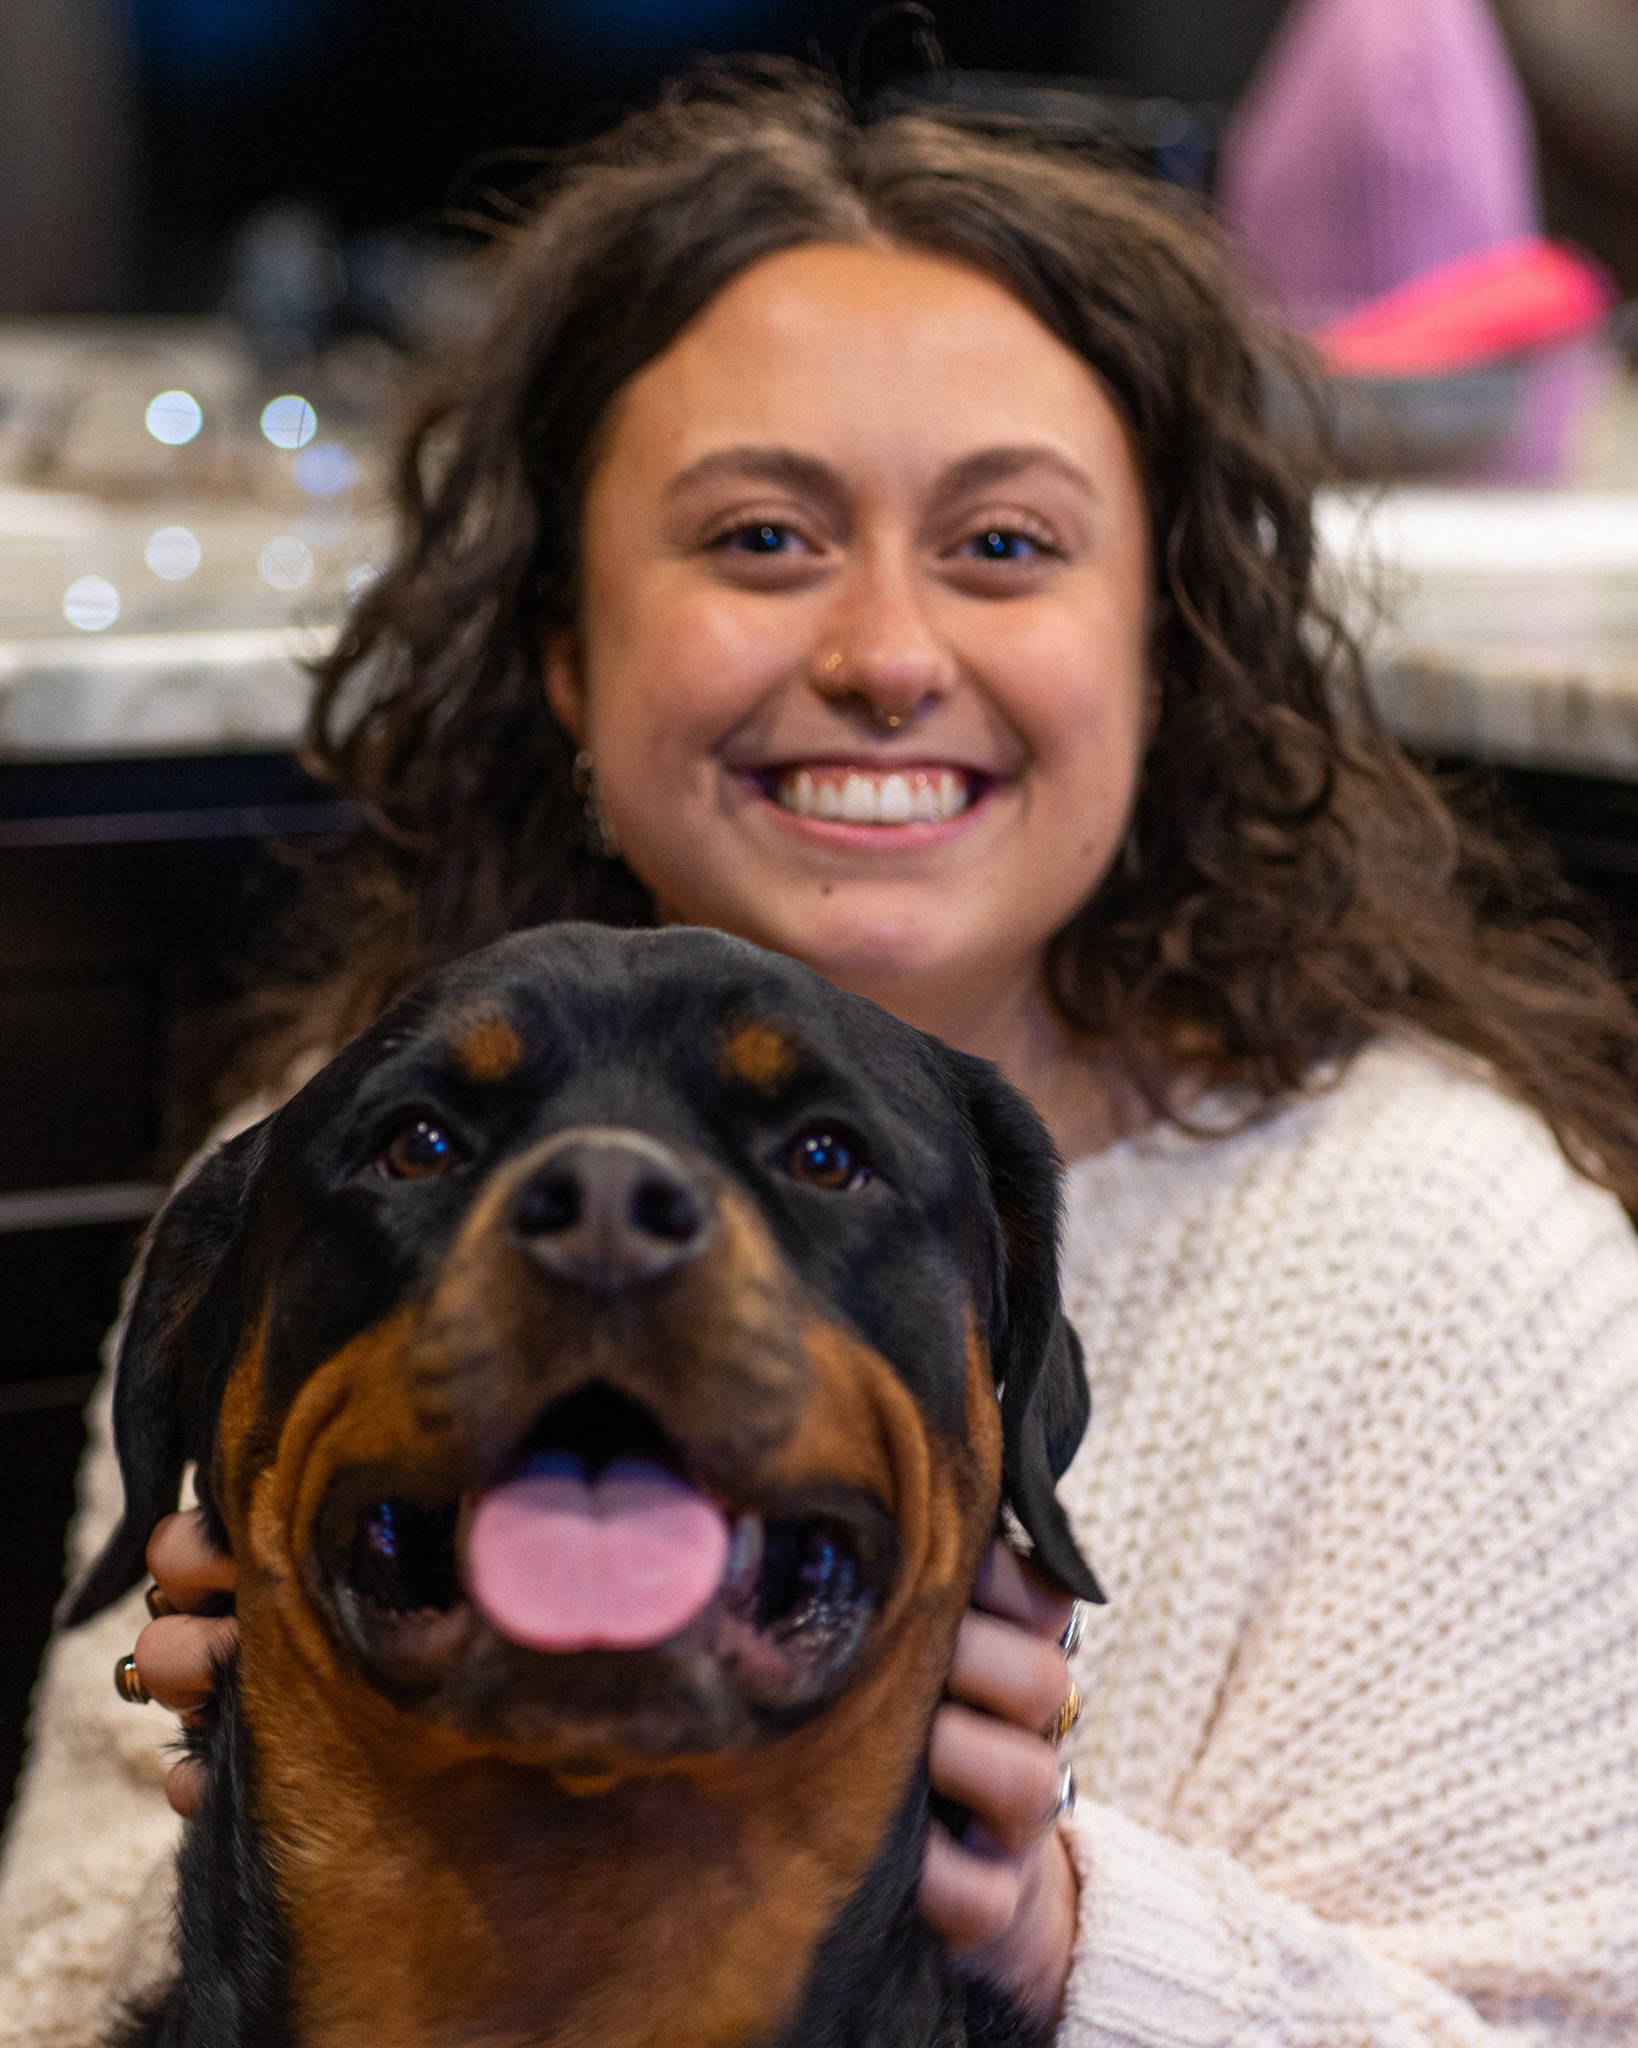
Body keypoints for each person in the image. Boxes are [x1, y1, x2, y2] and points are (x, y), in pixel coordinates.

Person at [4, 60, 1637, 2046]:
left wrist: (1066, 1937)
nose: (884, 649)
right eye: (764, 537)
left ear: (1161, 648)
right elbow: (55, 1967)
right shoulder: (332, 1169)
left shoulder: (1462, 1268)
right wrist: (263, 1822)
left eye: (1008, 548)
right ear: (565, 649)